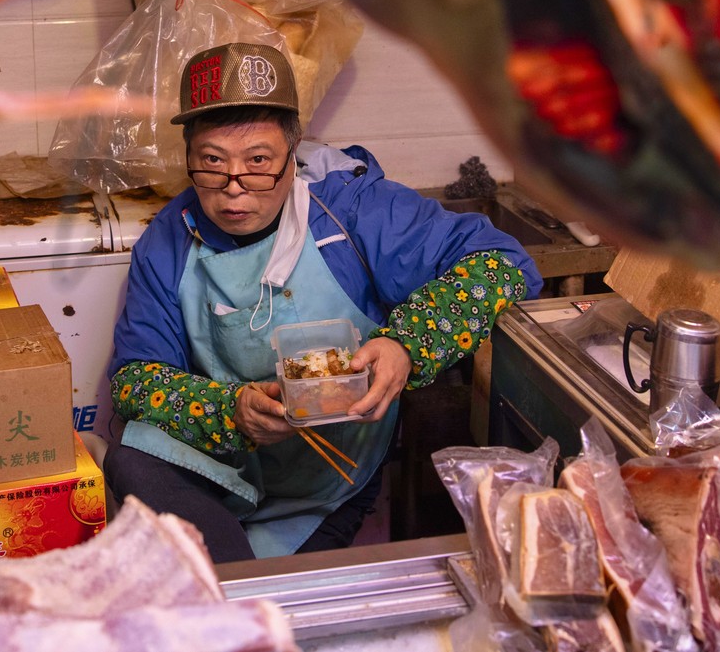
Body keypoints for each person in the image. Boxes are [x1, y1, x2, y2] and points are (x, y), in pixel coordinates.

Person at [104, 41, 542, 562]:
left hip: (326, 482)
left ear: (293, 156)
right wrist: (232, 410)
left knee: (265, 598)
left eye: (259, 161)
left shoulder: (351, 212)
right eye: (212, 163)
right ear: (189, 161)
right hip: (217, 468)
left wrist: (406, 345)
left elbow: (505, 265)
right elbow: (135, 381)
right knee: (129, 456)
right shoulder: (169, 240)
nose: (234, 188)